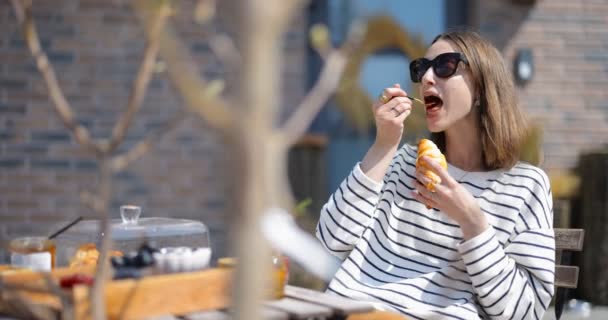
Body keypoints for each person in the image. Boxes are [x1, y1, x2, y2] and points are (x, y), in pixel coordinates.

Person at [316, 30, 554, 319]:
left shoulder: (525, 186)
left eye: (444, 65)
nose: (427, 77)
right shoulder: (404, 161)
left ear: (481, 85)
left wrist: (473, 222)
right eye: (420, 68)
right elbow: (331, 241)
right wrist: (384, 144)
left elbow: (525, 312)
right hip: (351, 310)